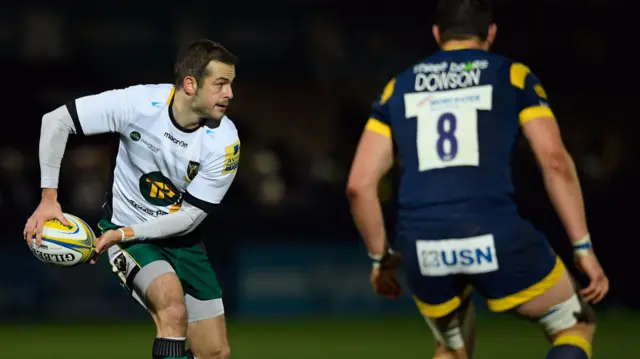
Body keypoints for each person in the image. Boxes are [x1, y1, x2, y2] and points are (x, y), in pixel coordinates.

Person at [346, 1, 608, 358]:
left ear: (437, 34)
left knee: (452, 348)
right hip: (493, 230)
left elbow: (359, 186)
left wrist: (380, 259)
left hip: (423, 243)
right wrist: (583, 247)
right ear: (492, 33)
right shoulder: (512, 75)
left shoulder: (398, 87)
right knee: (576, 322)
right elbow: (555, 162)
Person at [24, 39, 240, 359]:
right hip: (128, 231)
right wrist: (48, 199)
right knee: (172, 310)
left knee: (214, 352)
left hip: (180, 239)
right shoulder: (139, 104)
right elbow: (56, 121)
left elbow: (191, 217)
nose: (230, 94)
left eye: (231, 84)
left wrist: (125, 234)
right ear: (191, 84)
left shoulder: (224, 142)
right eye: (221, 84)